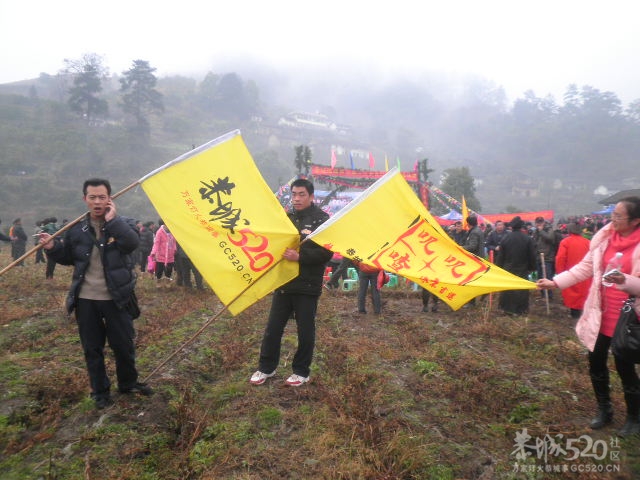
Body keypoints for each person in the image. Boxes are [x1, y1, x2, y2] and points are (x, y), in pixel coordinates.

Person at [40, 178, 152, 409]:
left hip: (117, 298)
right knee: (92, 348)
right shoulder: (76, 229)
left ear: (110, 199)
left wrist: (113, 221)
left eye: (102, 197)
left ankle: (128, 383)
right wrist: (53, 249)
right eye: (93, 197)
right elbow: (69, 258)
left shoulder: (124, 224)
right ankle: (99, 391)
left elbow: (131, 244)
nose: (97, 201)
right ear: (85, 199)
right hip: (86, 300)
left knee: (123, 345)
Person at [537, 197, 640, 436]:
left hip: (627, 317)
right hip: (600, 313)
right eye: (613, 214)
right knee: (595, 363)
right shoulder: (604, 239)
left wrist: (625, 281)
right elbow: (585, 268)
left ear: (635, 221)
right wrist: (555, 282)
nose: (612, 220)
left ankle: (634, 418)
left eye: (618, 216)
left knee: (625, 368)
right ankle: (604, 410)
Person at [250, 178, 333, 387]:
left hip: (307, 286)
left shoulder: (322, 221)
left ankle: (301, 371)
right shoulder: (286, 219)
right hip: (284, 284)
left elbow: (325, 252)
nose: (296, 198)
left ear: (311, 196)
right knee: (273, 329)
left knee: (305, 331)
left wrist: (300, 257)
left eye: (301, 194)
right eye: (294, 194)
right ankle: (266, 367)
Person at [495, 216, 537, 315]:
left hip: (508, 267)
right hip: (522, 267)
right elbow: (532, 255)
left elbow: (501, 256)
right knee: (521, 289)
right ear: (521, 227)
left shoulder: (505, 238)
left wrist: (498, 268)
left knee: (508, 288)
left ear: (511, 227)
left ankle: (507, 309)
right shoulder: (527, 239)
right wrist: (532, 267)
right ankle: (521, 310)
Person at [555, 223, 591, 319]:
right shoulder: (588, 242)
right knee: (584, 293)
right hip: (585, 273)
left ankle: (575, 315)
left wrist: (560, 274)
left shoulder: (565, 242)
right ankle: (584, 314)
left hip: (570, 273)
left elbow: (560, 259)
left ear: (569, 230)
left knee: (573, 295)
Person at [533, 216, 556, 299]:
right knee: (540, 277)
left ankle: (549, 296)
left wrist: (541, 231)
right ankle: (543, 294)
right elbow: (534, 242)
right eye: (537, 222)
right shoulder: (535, 231)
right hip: (539, 256)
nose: (539, 224)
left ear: (543, 222)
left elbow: (550, 238)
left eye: (540, 222)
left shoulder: (549, 229)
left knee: (547, 277)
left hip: (547, 257)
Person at [150, 219, 176, 286]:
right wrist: (153, 252)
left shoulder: (173, 231)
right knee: (159, 270)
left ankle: (167, 282)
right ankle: (158, 282)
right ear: (164, 224)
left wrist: (174, 249)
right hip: (161, 255)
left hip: (170, 255)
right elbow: (156, 243)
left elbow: (174, 242)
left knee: (169, 270)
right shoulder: (160, 232)